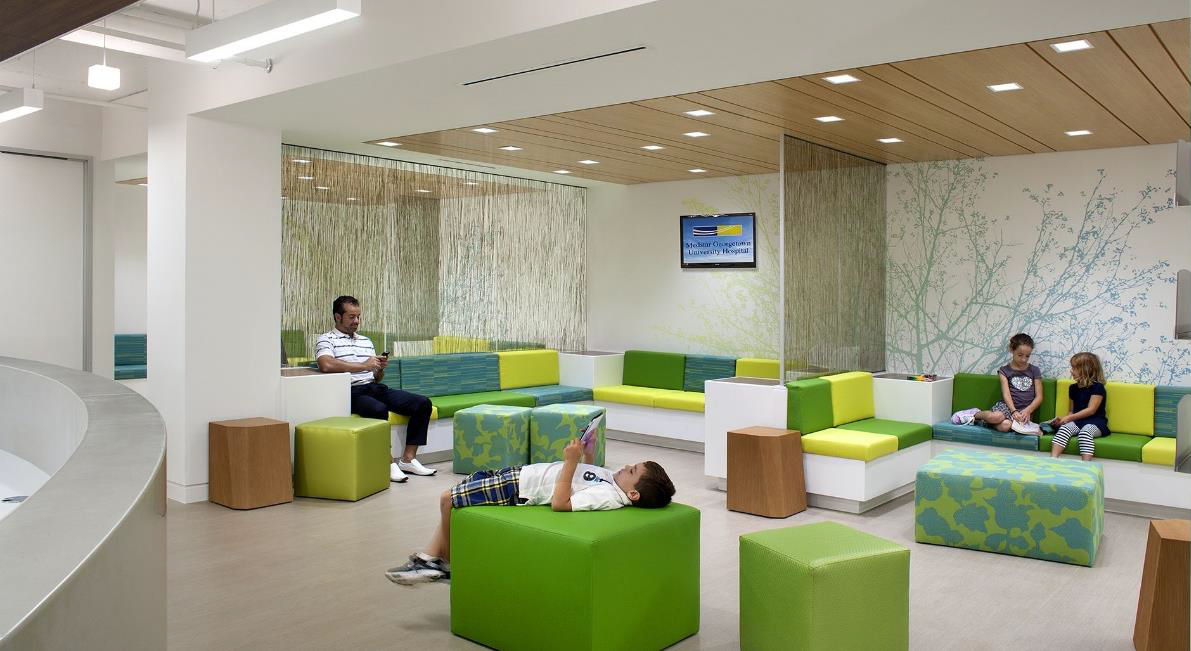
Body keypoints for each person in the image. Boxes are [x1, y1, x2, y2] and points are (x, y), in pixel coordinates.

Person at [385, 437, 676, 586]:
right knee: (458, 493)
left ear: (633, 493)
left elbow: (561, 503)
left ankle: (443, 563)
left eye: (632, 470)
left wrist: (570, 462)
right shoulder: (614, 482)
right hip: (523, 474)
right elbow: (590, 474)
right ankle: (429, 559)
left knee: (448, 498)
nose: (626, 466)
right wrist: (588, 453)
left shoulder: (609, 495)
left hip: (521, 488)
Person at [315, 295, 435, 483]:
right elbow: (326, 365)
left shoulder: (366, 341)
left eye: (358, 317)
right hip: (350, 392)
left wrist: (378, 368)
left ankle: (408, 460)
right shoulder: (326, 339)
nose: (356, 321)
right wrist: (364, 365)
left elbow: (375, 376)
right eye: (351, 317)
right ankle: (386, 463)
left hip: (373, 387)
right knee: (378, 409)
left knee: (422, 403)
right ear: (338, 317)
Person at [966, 333, 1043, 433]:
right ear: (1012, 349)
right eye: (1020, 355)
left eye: (1027, 356)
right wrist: (1013, 410)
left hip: (1025, 411)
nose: (1023, 359)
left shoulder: (1034, 370)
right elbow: (1006, 394)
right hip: (1007, 407)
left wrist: (1028, 410)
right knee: (996, 417)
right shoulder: (1004, 371)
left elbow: (1039, 397)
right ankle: (974, 414)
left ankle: (986, 423)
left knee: (1005, 426)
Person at [1047, 352, 1109, 461]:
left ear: (1086, 370)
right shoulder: (1073, 388)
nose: (1071, 371)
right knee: (1064, 429)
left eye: (1074, 368)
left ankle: (1086, 466)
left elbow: (1091, 410)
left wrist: (1070, 418)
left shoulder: (1098, 387)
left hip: (1096, 422)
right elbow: (1072, 411)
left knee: (1085, 433)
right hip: (1078, 421)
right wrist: (1063, 421)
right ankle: (1053, 460)